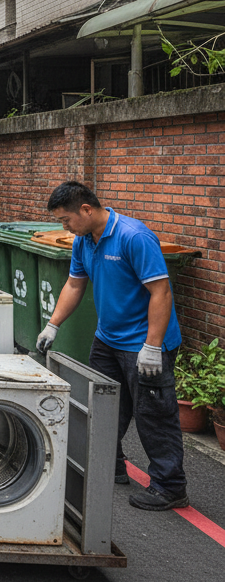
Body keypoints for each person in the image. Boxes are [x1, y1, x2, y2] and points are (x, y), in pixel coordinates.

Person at [38, 181, 188, 511]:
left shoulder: (134, 237)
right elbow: (75, 284)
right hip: (107, 339)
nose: (64, 227)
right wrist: (53, 324)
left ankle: (170, 485)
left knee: (153, 414)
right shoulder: (83, 241)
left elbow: (161, 292)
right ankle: (112, 465)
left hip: (144, 344)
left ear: (87, 210)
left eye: (66, 220)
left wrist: (152, 346)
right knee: (103, 406)